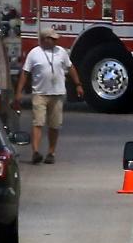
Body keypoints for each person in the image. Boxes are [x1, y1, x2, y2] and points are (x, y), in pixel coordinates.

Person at [13, 28, 84, 165]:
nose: (55, 41)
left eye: (55, 39)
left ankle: (51, 152)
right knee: (38, 123)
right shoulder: (34, 53)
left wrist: (78, 84)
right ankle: (35, 152)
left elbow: (71, 68)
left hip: (57, 94)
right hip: (40, 93)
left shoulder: (61, 52)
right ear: (44, 39)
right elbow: (25, 73)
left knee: (54, 125)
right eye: (52, 38)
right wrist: (18, 92)